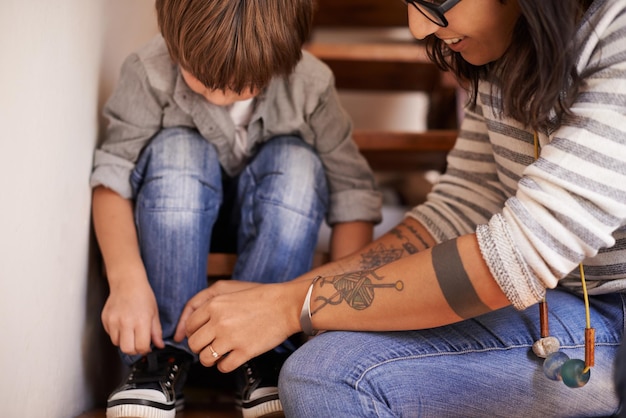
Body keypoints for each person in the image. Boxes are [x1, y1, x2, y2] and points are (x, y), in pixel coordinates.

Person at [176, 0, 626, 416]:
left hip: (611, 317)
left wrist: (291, 304)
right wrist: (291, 293)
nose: (417, 27)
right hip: (565, 303)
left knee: (328, 376)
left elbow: (515, 256)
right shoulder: (504, 45)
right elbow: (459, 207)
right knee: (327, 360)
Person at [90, 0, 383, 416]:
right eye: (199, 78)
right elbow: (112, 178)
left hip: (271, 233)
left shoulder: (311, 84)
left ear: (282, 59)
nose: (217, 95)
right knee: (176, 148)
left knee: (298, 161)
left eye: (241, 86)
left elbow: (353, 193)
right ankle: (162, 358)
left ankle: (263, 353)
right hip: (178, 222)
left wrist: (332, 314)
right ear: (174, 43)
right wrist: (125, 281)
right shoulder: (148, 69)